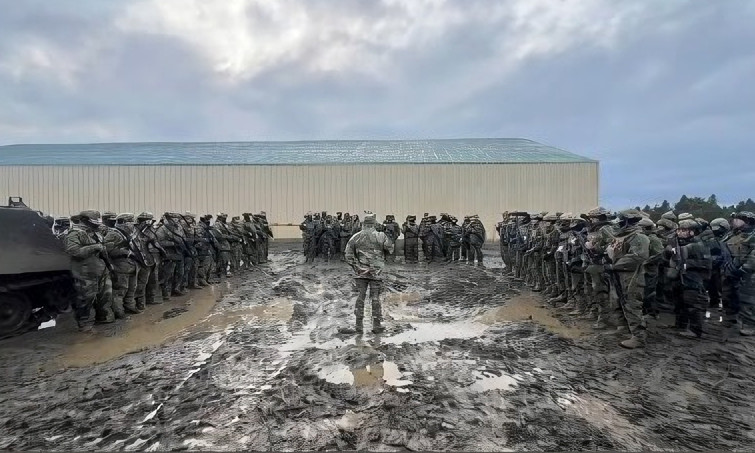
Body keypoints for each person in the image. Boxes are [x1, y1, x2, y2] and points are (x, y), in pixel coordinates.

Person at [605, 209, 650, 349]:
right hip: (618, 275)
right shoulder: (622, 236)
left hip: (632, 277)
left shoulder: (639, 237)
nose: (618, 223)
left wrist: (615, 266)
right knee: (618, 302)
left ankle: (639, 338)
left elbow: (637, 256)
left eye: (621, 220)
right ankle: (624, 328)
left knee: (632, 305)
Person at [344, 212, 394, 334]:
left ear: (363, 223)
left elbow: (348, 255)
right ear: (374, 223)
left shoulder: (355, 237)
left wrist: (357, 267)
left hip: (360, 273)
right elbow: (390, 249)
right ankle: (376, 326)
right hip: (376, 273)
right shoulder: (381, 236)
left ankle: (358, 326)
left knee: (360, 298)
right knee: (375, 298)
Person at [64, 210, 115, 331]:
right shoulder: (74, 233)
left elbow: (103, 250)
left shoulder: (96, 233)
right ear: (85, 221)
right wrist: (94, 247)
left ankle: (103, 317)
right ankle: (83, 321)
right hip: (84, 271)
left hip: (101, 268)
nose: (97, 225)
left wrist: (109, 264)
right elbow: (73, 251)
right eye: (94, 223)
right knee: (86, 297)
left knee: (106, 294)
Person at [722, 211, 755, 337]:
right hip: (737, 269)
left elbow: (753, 258)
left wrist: (743, 269)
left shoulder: (752, 236)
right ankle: (733, 317)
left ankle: (750, 325)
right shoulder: (735, 234)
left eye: (737, 219)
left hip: (749, 273)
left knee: (748, 299)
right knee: (732, 294)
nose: (733, 221)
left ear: (747, 221)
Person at [104, 213, 141, 317]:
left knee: (132, 288)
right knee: (120, 290)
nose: (132, 225)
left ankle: (130, 305)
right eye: (130, 223)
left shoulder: (129, 233)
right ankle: (118, 310)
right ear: (123, 223)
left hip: (132, 265)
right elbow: (106, 249)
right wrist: (124, 252)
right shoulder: (113, 233)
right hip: (121, 265)